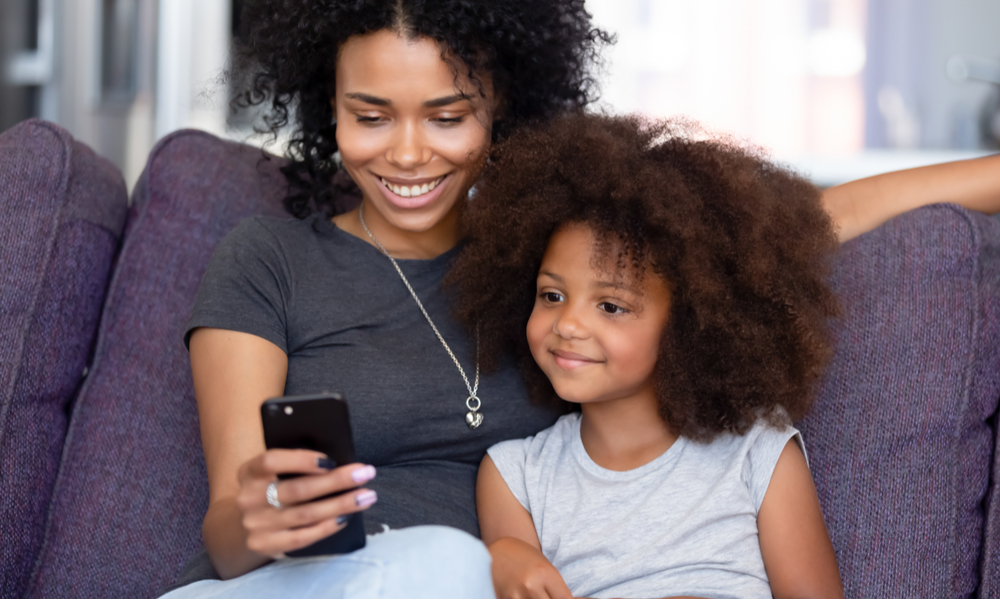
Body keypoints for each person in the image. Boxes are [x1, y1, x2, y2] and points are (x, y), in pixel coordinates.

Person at [167, 0, 1000, 597]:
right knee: (454, 568)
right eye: (371, 116)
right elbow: (226, 537)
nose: (410, 153)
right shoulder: (267, 260)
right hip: (298, 587)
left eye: (448, 116)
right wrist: (259, 516)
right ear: (329, 113)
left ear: (502, 112)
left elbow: (791, 221)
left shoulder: (551, 253)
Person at [446, 113, 844, 598]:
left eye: (611, 306)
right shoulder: (515, 476)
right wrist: (497, 559)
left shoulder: (757, 454)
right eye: (551, 296)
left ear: (689, 324)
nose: (568, 324)